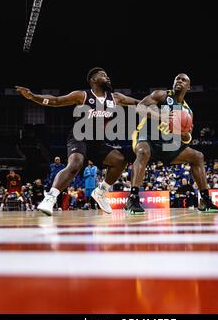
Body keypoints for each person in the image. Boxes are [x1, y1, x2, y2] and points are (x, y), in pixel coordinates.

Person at [16, 67, 139, 216]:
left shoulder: (115, 98)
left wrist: (159, 104)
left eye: (107, 75)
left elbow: (138, 103)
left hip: (97, 141)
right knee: (75, 164)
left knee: (120, 161)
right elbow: (56, 101)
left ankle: (100, 192)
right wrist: (33, 97)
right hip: (79, 136)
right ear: (93, 79)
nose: (107, 77)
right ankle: (50, 197)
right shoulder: (82, 95)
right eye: (103, 75)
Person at [126, 73, 218, 214]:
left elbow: (187, 139)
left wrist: (184, 133)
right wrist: (160, 115)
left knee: (198, 156)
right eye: (177, 79)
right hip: (147, 138)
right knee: (143, 152)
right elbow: (140, 107)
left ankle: (205, 200)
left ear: (188, 87)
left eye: (183, 80)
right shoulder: (162, 95)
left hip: (168, 145)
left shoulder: (187, 111)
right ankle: (132, 199)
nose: (179, 81)